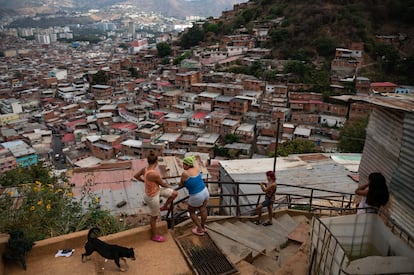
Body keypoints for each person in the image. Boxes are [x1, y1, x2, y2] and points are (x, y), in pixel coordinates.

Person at [134, 152, 178, 242]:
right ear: (156, 162)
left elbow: (136, 176)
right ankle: (154, 235)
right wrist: (169, 186)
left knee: (174, 194)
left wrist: (144, 181)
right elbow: (163, 183)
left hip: (157, 190)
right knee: (154, 217)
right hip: (152, 197)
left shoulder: (144, 169)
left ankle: (165, 206)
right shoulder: (154, 174)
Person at [179, 155, 210, 236]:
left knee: (191, 211)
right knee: (203, 209)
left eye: (184, 164)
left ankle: (199, 229)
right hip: (204, 190)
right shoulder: (196, 169)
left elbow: (180, 184)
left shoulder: (185, 173)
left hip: (196, 194)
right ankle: (203, 226)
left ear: (188, 165)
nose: (183, 166)